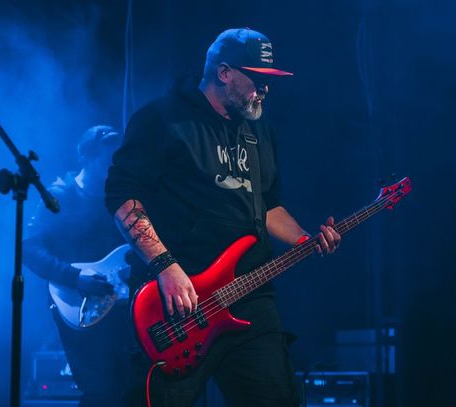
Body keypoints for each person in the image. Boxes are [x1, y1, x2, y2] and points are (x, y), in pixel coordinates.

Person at [105, 28, 341, 406]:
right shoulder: (162, 119)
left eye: (268, 81)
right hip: (181, 305)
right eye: (257, 79)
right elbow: (122, 197)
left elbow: (267, 205)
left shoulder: (258, 131)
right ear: (224, 72)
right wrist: (165, 266)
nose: (265, 89)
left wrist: (304, 240)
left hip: (251, 298)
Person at [23, 125, 134, 407]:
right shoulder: (61, 195)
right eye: (106, 158)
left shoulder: (118, 197)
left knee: (128, 387)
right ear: (86, 156)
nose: (113, 164)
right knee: (100, 391)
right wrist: (74, 277)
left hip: (120, 305)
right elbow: (29, 247)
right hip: (79, 303)